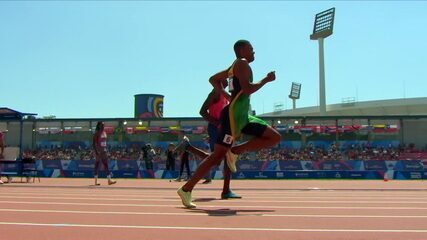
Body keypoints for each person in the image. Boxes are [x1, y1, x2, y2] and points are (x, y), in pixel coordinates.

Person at [177, 40, 281, 208]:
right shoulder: (242, 63)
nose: (254, 52)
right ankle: (186, 189)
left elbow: (213, 79)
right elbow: (247, 89)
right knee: (216, 157)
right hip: (232, 117)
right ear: (241, 50)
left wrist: (227, 96)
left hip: (242, 115)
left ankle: (235, 151)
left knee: (274, 137)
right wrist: (266, 80)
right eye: (251, 49)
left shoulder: (233, 67)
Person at [93, 121, 116, 186]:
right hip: (98, 150)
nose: (103, 126)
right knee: (97, 165)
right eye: (102, 125)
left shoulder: (104, 132)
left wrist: (106, 149)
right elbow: (94, 143)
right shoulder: (97, 133)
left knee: (106, 165)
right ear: (99, 126)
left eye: (104, 125)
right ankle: (95, 181)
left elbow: (104, 142)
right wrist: (96, 151)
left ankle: (109, 180)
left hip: (104, 150)